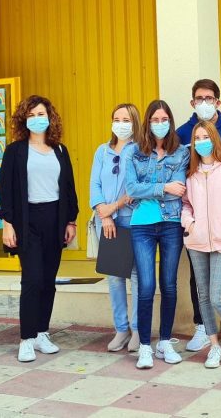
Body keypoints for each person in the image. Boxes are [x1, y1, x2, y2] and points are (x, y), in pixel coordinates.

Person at [0, 95, 79, 362]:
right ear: (24, 120)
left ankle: (42, 333)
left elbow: (69, 187)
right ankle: (27, 338)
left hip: (55, 219)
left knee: (48, 280)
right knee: (32, 279)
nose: (36, 119)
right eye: (31, 115)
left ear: (50, 117)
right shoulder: (15, 151)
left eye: (41, 114)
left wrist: (71, 220)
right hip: (27, 220)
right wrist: (7, 224)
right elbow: (5, 190)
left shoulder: (60, 150)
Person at [175, 79, 221, 352]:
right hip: (198, 229)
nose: (204, 103)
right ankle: (202, 327)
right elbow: (183, 183)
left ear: (218, 101)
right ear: (192, 102)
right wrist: (191, 223)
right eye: (199, 98)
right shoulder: (182, 133)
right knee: (200, 283)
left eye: (209, 98)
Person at [126, 100, 190, 369]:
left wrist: (149, 189)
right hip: (142, 225)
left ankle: (164, 341)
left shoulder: (181, 152)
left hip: (171, 223)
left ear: (170, 122)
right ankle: (144, 346)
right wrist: (164, 187)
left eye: (164, 120)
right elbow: (131, 188)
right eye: (155, 120)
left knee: (169, 284)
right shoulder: (134, 152)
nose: (160, 124)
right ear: (147, 123)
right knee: (146, 286)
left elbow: (180, 188)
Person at [90, 103, 140, 352]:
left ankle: (138, 329)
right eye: (117, 119)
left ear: (135, 123)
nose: (121, 124)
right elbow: (94, 184)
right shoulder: (102, 151)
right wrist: (105, 213)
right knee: (114, 276)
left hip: (132, 219)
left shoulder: (141, 150)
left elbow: (136, 188)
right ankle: (121, 329)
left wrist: (116, 206)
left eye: (126, 120)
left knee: (136, 276)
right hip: (106, 221)